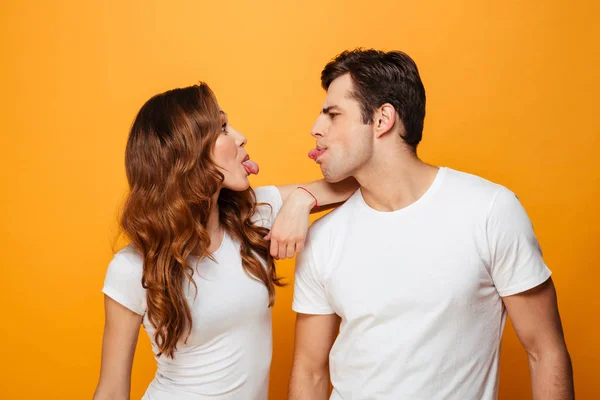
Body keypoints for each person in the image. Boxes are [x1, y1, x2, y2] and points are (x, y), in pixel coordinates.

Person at [289, 49, 574, 399]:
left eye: (332, 115)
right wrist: (300, 198)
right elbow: (310, 371)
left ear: (382, 120)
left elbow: (545, 351)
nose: (315, 129)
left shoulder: (489, 211)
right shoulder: (321, 237)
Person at [92, 82, 357, 400]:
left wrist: (301, 201)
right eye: (223, 128)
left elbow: (355, 182)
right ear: (187, 153)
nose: (240, 136)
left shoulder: (251, 214)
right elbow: (111, 390)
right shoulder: (132, 266)